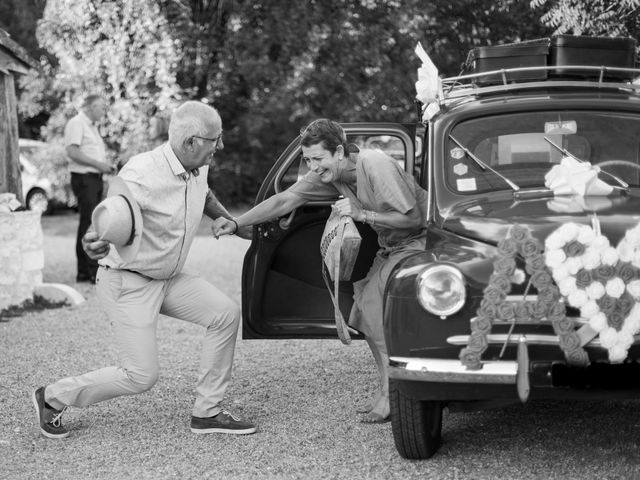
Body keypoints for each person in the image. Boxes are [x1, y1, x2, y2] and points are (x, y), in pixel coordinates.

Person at [33, 101, 256, 439]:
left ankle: (207, 412)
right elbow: (107, 220)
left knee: (225, 313)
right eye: (216, 139)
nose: (221, 146)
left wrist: (230, 220)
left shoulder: (198, 165)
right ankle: (52, 396)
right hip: (128, 282)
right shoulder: (140, 175)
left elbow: (204, 194)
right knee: (141, 376)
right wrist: (92, 242)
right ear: (191, 142)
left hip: (167, 279)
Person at [213, 119, 428, 423]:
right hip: (390, 246)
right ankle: (388, 390)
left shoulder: (375, 164)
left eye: (318, 158)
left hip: (419, 244)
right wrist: (237, 222)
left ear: (339, 151)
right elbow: (285, 199)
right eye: (308, 160)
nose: (313, 167)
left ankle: (396, 394)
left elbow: (414, 220)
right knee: (361, 310)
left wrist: (361, 213)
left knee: (373, 307)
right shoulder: (330, 175)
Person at [64, 93, 115, 283]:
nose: (104, 111)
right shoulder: (77, 123)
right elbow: (72, 152)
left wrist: (104, 167)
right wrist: (98, 165)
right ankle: (89, 271)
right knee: (89, 224)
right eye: (101, 107)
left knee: (92, 222)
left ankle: (87, 271)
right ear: (90, 106)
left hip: (93, 178)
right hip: (84, 178)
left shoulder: (91, 127)